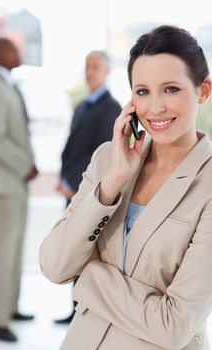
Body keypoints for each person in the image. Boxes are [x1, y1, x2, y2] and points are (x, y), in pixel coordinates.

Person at [39, 24, 212, 350]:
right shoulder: (108, 160)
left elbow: (173, 326)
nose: (156, 107)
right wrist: (113, 181)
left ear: (203, 91)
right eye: (143, 91)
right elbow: (54, 265)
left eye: (171, 89)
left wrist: (86, 275)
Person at [55, 50, 121, 323]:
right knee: (73, 249)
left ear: (106, 72)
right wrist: (62, 179)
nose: (90, 71)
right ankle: (74, 310)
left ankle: (86, 312)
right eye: (87, 66)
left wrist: (72, 181)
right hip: (72, 188)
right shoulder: (82, 106)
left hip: (91, 191)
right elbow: (71, 149)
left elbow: (102, 153)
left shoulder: (112, 108)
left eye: (95, 67)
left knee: (89, 251)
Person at [0, 38, 38, 342]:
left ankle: (10, 307)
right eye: (15, 49)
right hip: (3, 184)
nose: (20, 52)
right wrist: (25, 165)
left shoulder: (9, 86)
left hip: (15, 184)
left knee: (14, 252)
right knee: (3, 254)